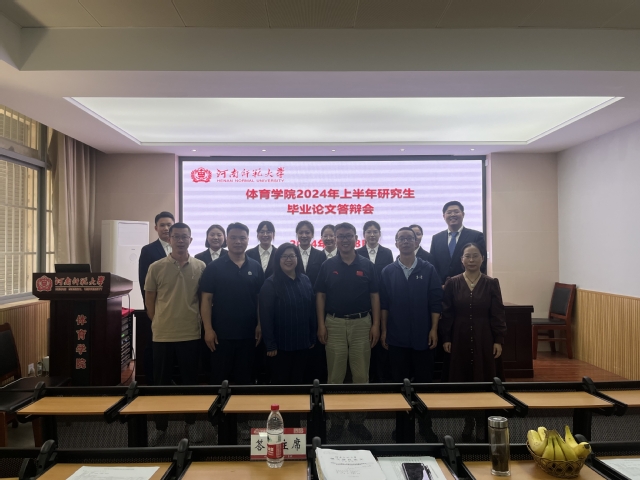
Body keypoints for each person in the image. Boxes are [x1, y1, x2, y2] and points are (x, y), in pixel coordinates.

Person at [315, 222, 380, 441]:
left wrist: (376, 325)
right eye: (340, 236)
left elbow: (375, 296)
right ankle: (336, 422)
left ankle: (357, 422)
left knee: (361, 376)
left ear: (356, 238)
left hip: (362, 324)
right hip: (333, 324)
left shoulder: (367, 264)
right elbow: (320, 295)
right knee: (335, 377)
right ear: (335, 239)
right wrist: (321, 324)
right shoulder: (327, 265)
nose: (344, 240)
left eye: (348, 236)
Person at [144, 222, 206, 445]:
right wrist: (161, 323)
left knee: (190, 383)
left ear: (191, 240)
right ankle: (160, 427)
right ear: (169, 239)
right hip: (163, 335)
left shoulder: (200, 266)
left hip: (190, 333)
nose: (180, 240)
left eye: (184, 237)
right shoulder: (156, 267)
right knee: (161, 384)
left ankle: (192, 424)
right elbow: (150, 302)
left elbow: (203, 300)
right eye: (176, 236)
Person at [379, 227, 442, 442]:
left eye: (409, 238)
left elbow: (435, 302)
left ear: (416, 242)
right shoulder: (388, 271)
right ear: (396, 243)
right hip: (397, 337)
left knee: (424, 386)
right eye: (401, 239)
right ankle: (402, 428)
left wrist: (434, 329)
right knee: (399, 386)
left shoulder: (428, 269)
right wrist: (384, 331)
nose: (405, 242)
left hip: (423, 337)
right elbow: (384, 305)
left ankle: (425, 427)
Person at [439, 242, 506, 441]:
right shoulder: (452, 283)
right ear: (461, 260)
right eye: (467, 256)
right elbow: (447, 313)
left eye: (475, 256)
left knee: (483, 379)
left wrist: (498, 340)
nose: (471, 260)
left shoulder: (491, 283)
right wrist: (446, 337)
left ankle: (482, 422)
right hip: (459, 337)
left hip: (484, 337)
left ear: (482, 258)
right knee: (464, 381)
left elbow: (498, 313)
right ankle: (468, 421)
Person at [200, 223, 264, 385]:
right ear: (226, 240)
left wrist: (259, 324)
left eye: (242, 238)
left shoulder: (256, 267)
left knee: (245, 380)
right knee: (220, 380)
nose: (238, 242)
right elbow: (206, 300)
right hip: (221, 336)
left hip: (248, 335)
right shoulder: (213, 267)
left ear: (248, 240)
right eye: (233, 238)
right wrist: (208, 329)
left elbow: (259, 300)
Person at [259, 243, 316, 384]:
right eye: (284, 256)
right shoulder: (270, 284)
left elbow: (311, 311)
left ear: (297, 258)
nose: (288, 259)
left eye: (292, 256)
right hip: (280, 346)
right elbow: (266, 317)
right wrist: (270, 344)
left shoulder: (305, 280)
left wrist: (312, 337)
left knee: (299, 382)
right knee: (281, 384)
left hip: (303, 343)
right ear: (278, 259)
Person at [138, 211, 175, 385]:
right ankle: (153, 382)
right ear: (156, 228)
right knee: (154, 346)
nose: (166, 228)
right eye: (162, 225)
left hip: (176, 307)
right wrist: (150, 309)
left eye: (169, 225)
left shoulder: (180, 247)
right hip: (157, 308)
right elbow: (143, 282)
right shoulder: (148, 250)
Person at [355, 220, 394, 383]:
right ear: (363, 235)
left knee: (380, 343)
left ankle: (380, 378)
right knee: (364, 344)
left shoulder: (387, 252)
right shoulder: (357, 253)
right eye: (369, 232)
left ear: (379, 234)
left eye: (375, 232)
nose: (372, 235)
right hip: (362, 303)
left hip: (382, 300)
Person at [429, 201, 487, 285]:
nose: (453, 215)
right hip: (442, 287)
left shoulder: (476, 236)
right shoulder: (436, 238)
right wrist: (439, 284)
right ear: (444, 216)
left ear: (463, 214)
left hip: (467, 286)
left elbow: (482, 263)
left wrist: (471, 283)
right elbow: (433, 264)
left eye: (456, 212)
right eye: (449, 212)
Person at [296, 220, 325, 286]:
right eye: (301, 233)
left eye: (307, 233)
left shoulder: (320, 255)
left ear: (312, 235)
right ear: (297, 234)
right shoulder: (292, 254)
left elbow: (323, 278)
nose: (304, 235)